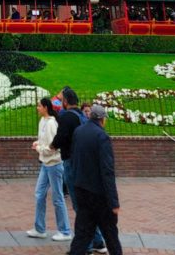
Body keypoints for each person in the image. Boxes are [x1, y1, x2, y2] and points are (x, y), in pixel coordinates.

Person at [52, 89, 107, 254]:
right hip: (84, 163)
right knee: (85, 205)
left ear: (66, 102)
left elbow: (60, 138)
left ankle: (86, 245)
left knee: (80, 206)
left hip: (72, 163)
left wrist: (51, 146)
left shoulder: (67, 117)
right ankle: (97, 241)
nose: (59, 102)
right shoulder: (81, 116)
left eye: (61, 99)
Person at [68, 104, 122, 255]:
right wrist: (114, 202)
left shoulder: (79, 131)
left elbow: (74, 159)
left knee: (82, 234)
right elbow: (107, 171)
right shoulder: (102, 136)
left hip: (81, 190)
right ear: (102, 119)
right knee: (111, 235)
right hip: (99, 195)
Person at [26, 97, 72, 242]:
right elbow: (44, 140)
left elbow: (53, 147)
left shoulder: (52, 123)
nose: (37, 108)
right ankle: (40, 228)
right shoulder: (42, 121)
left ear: (46, 107)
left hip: (54, 164)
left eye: (39, 106)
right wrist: (38, 143)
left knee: (57, 197)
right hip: (45, 164)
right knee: (39, 194)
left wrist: (39, 148)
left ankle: (65, 231)